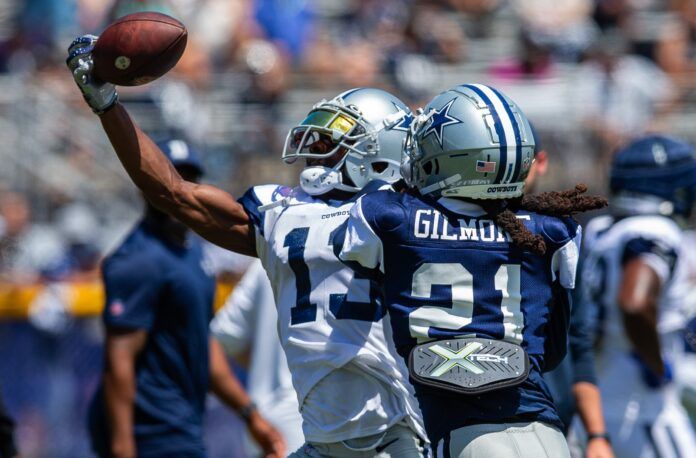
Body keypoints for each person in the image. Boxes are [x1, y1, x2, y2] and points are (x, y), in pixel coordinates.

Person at [67, 36, 428, 457]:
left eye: (331, 144)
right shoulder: (283, 212)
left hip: (391, 436)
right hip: (318, 441)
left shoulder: (405, 218)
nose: (314, 151)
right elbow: (172, 193)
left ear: (379, 156)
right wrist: (108, 104)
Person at [336, 83, 607, 456]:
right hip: (544, 429)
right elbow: (555, 349)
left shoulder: (388, 216)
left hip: (462, 432)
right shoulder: (552, 228)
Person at [86, 139, 285, 458]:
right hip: (148, 432)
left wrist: (250, 414)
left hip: (180, 425)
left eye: (186, 177)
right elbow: (119, 362)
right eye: (170, 176)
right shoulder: (138, 259)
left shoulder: (194, 253)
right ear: (146, 186)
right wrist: (122, 446)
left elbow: (202, 342)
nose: (175, 189)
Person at [577, 134, 696, 457]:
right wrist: (655, 362)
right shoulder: (653, 231)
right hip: (641, 411)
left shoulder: (601, 229)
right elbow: (634, 302)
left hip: (595, 404)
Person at [529, 126, 614, 458]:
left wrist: (597, 434)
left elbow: (578, 341)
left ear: (540, 161)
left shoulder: (558, 235)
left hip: (557, 424)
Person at [211, 259, 305, 456]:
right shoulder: (367, 247)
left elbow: (220, 340)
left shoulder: (269, 254)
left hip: (264, 422)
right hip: (316, 425)